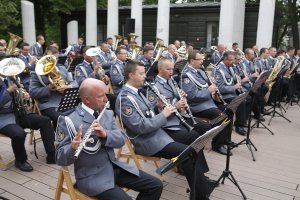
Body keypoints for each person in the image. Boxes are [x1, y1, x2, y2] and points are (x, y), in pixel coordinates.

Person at [115, 60, 214, 200]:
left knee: (190, 150)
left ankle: (199, 192)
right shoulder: (125, 99)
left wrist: (158, 107)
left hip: (157, 135)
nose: (145, 76)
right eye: (142, 73)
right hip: (147, 142)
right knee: (187, 152)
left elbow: (148, 112)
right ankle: (201, 193)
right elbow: (140, 127)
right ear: (131, 75)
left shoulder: (136, 92)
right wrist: (164, 114)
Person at [56, 78, 163, 200]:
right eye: (101, 96)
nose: (107, 99)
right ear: (86, 99)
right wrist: (72, 148)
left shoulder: (107, 112)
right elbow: (60, 158)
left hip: (113, 167)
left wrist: (105, 134)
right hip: (92, 177)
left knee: (155, 185)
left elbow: (121, 139)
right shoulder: (69, 120)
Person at [0, 67, 56, 172]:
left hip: (18, 113)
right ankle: (20, 160)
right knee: (19, 133)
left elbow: (18, 99)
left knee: (45, 120)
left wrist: (23, 96)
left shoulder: (10, 78)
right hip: (3, 118)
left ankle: (51, 155)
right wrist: (8, 91)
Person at [179, 50, 231, 155]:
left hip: (208, 102)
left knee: (228, 110)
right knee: (221, 116)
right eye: (200, 59)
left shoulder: (200, 70)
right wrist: (209, 90)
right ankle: (217, 145)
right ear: (192, 60)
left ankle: (225, 139)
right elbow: (192, 96)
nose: (202, 61)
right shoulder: (186, 75)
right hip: (197, 106)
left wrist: (211, 83)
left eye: (203, 59)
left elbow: (205, 85)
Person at [29, 46, 77, 130]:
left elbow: (74, 82)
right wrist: (49, 87)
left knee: (80, 114)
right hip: (49, 104)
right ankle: (62, 139)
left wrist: (68, 86)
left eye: (56, 59)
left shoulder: (61, 68)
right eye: (51, 59)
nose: (54, 62)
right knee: (62, 119)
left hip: (65, 100)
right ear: (44, 57)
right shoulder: (36, 73)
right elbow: (32, 92)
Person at [214, 51, 250, 136]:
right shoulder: (219, 70)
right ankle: (239, 125)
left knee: (247, 98)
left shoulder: (229, 67)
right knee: (241, 101)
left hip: (232, 93)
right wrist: (234, 87)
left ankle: (241, 122)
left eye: (233, 60)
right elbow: (220, 88)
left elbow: (234, 80)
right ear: (225, 59)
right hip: (223, 96)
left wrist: (239, 81)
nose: (233, 62)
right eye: (231, 60)